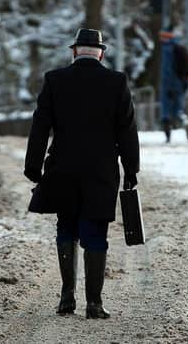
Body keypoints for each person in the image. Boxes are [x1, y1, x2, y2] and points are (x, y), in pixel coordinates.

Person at [24, 28, 140, 319]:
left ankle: (66, 296)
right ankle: (94, 302)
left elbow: (40, 127)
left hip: (62, 167)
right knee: (95, 230)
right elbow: (127, 130)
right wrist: (131, 169)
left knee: (67, 225)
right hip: (101, 170)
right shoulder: (116, 82)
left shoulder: (55, 80)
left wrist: (33, 166)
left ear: (74, 51)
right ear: (101, 53)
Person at [159, 30, 188, 143]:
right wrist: (186, 83)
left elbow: (167, 71)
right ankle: (185, 121)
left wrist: (168, 86)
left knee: (165, 110)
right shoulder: (180, 49)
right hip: (180, 83)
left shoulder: (167, 50)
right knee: (178, 109)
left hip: (169, 84)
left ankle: (167, 136)